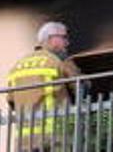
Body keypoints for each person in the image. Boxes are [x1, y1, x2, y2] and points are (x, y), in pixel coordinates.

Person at [7, 22, 82, 151]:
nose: (67, 43)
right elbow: (80, 88)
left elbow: (11, 101)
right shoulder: (57, 61)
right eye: (64, 38)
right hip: (54, 136)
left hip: (24, 141)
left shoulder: (17, 66)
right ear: (51, 38)